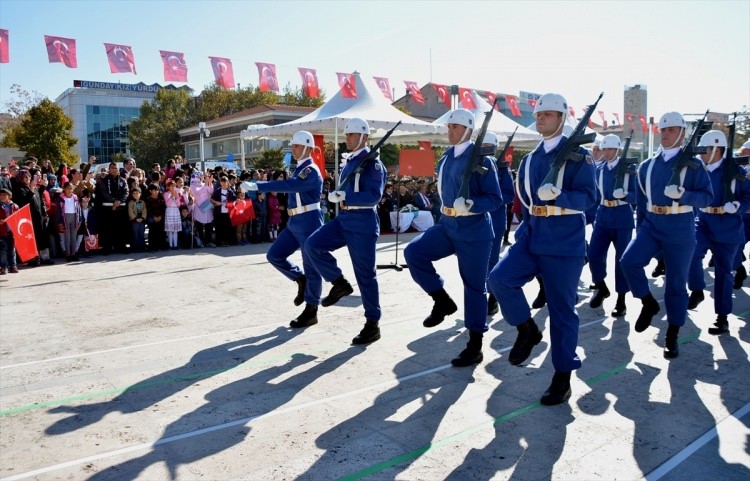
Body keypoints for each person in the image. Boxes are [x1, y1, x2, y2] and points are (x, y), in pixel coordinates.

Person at [487, 93, 597, 405]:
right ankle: (527, 329)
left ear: (562, 118)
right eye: (538, 114)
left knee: (563, 312)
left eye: (548, 114)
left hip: (564, 240)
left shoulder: (578, 156)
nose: (541, 118)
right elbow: (526, 200)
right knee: (498, 279)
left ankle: (562, 376)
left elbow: (590, 199)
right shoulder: (531, 158)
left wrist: (560, 196)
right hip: (532, 234)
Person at [406, 110, 503, 369]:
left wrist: (472, 204)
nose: (450, 131)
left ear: (469, 130)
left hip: (474, 231)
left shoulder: (483, 160)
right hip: (447, 225)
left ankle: (475, 344)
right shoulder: (447, 157)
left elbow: (495, 198)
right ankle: (442, 300)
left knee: (474, 288)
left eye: (456, 127)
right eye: (449, 126)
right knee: (414, 253)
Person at [620, 111, 713, 359]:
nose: (666, 134)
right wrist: (641, 230)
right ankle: (648, 302)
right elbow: (640, 201)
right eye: (663, 130)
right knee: (628, 261)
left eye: (671, 130)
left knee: (676, 284)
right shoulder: (647, 166)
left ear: (682, 134)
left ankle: (672, 334)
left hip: (680, 224)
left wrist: (684, 195)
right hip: (652, 222)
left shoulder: (694, 165)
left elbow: (707, 197)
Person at [305, 118, 385, 344]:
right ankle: (339, 283)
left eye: (351, 135)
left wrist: (346, 196)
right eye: (347, 135)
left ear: (364, 137)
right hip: (344, 219)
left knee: (366, 276)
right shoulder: (350, 161)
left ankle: (372, 323)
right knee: (313, 245)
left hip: (363, 222)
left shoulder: (373, 163)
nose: (347, 138)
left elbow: (374, 196)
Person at [243, 130, 324, 327]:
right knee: (274, 255)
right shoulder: (298, 169)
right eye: (294, 145)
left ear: (308, 148)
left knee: (312, 267)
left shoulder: (310, 170)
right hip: (295, 221)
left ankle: (311, 310)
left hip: (309, 220)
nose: (293, 149)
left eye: (297, 146)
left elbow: (291, 186)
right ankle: (299, 278)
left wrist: (258, 186)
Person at [685, 130, 750, 334]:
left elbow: (749, 196)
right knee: (690, 252)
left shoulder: (737, 171)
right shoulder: (698, 170)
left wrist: (738, 206)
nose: (702, 154)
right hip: (704, 220)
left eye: (705, 150)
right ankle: (697, 289)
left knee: (724, 272)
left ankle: (722, 317)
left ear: (717, 149)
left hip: (728, 225)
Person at [587, 134, 637, 316]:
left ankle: (621, 300)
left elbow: (639, 195)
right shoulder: (598, 169)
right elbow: (594, 196)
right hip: (603, 215)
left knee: (621, 261)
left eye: (610, 149)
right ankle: (601, 286)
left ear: (617, 150)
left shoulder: (629, 169)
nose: (606, 153)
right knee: (593, 254)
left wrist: (625, 195)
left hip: (622, 216)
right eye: (604, 149)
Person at [484, 131, 515, 316]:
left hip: (495, 220)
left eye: (489, 147)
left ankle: (493, 297)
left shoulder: (503, 169)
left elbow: (509, 194)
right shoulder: (476, 166)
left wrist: (490, 199)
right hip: (478, 221)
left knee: (492, 261)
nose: (485, 150)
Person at [95, 162, 129, 254]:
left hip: (120, 209)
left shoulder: (123, 180)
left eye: (116, 168)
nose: (114, 169)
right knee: (107, 228)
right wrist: (113, 201)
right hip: (107, 209)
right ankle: (107, 247)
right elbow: (103, 193)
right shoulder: (104, 180)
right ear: (109, 169)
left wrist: (119, 201)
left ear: (118, 170)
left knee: (120, 228)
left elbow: (126, 192)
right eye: (112, 168)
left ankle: (120, 246)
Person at [55, 182, 81, 262]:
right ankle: (68, 254)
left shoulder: (75, 197)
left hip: (74, 217)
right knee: (67, 237)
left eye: (71, 188)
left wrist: (80, 219)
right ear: (64, 189)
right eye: (68, 188)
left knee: (74, 237)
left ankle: (73, 254)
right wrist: (59, 221)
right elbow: (59, 210)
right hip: (65, 217)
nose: (70, 190)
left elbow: (78, 209)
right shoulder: (61, 198)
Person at [0, 188, 20, 274]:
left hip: (12, 232)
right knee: (3, 250)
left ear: (9, 196)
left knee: (12, 250)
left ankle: (13, 266)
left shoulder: (15, 206)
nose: (2, 197)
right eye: (0, 195)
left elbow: (19, 217)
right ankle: (4, 267)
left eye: (4, 195)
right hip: (2, 232)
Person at [128, 187, 148, 252]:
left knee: (141, 233)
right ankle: (135, 247)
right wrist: (135, 218)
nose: (135, 195)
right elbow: (130, 211)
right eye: (134, 193)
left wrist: (142, 218)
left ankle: (141, 246)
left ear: (140, 194)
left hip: (141, 220)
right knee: (135, 233)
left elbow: (144, 210)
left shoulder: (142, 202)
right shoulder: (131, 202)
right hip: (134, 221)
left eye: (137, 193)